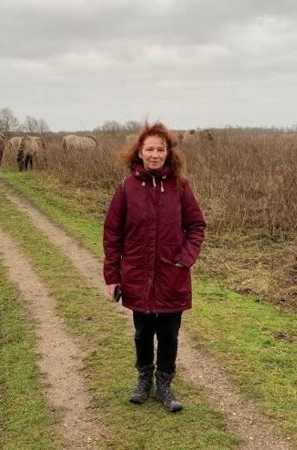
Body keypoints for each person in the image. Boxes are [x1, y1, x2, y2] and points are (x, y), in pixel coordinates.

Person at [103, 121, 206, 412]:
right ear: (139, 152)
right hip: (136, 275)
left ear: (168, 153)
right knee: (142, 333)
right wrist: (113, 276)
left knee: (169, 335)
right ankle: (144, 379)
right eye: (150, 149)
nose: (155, 154)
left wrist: (185, 258)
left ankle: (164, 384)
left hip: (172, 274)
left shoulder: (181, 187)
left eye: (161, 149)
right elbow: (112, 235)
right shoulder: (126, 189)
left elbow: (197, 225)